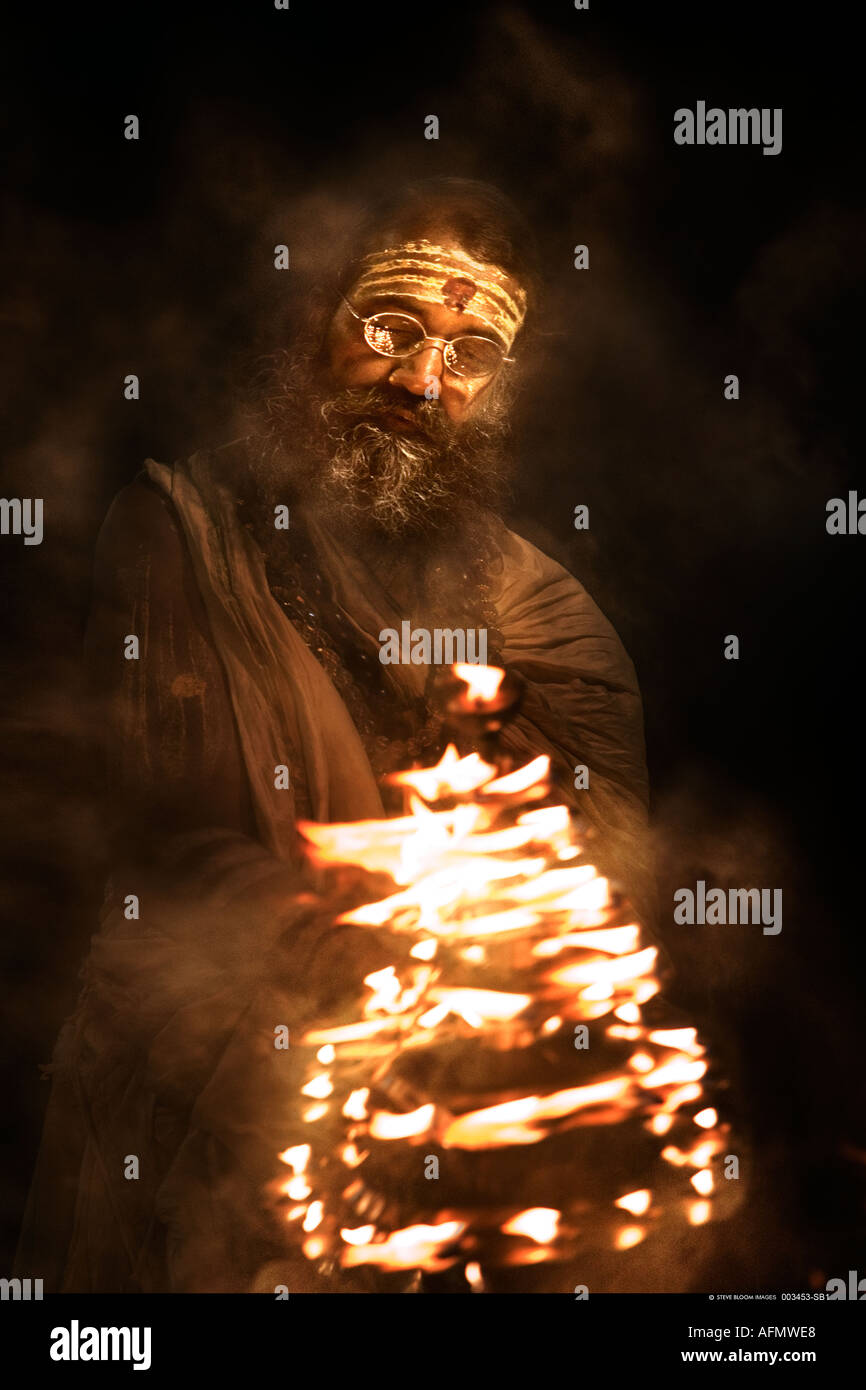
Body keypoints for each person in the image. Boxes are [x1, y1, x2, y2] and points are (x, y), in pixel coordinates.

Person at [15, 178, 655, 1292]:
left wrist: (479, 997)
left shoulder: (538, 611)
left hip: (460, 1108)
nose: (421, 380)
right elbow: (177, 834)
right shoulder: (182, 533)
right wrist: (368, 974)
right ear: (314, 324)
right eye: (390, 329)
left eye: (469, 355)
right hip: (219, 1083)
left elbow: (602, 874)